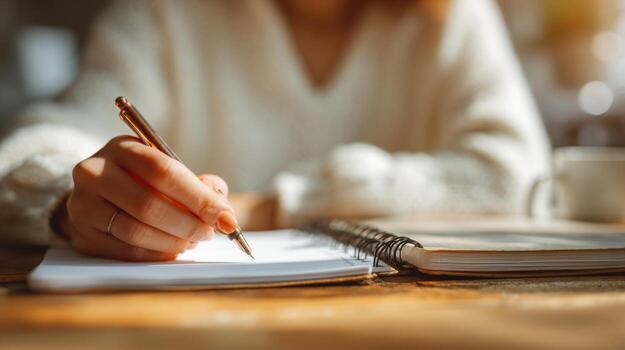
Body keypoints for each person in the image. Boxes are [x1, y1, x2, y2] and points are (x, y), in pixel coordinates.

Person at [0, 0, 549, 260]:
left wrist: (282, 205)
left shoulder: (452, 15)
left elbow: (521, 177)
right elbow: (30, 152)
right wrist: (68, 201)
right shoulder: (165, 15)